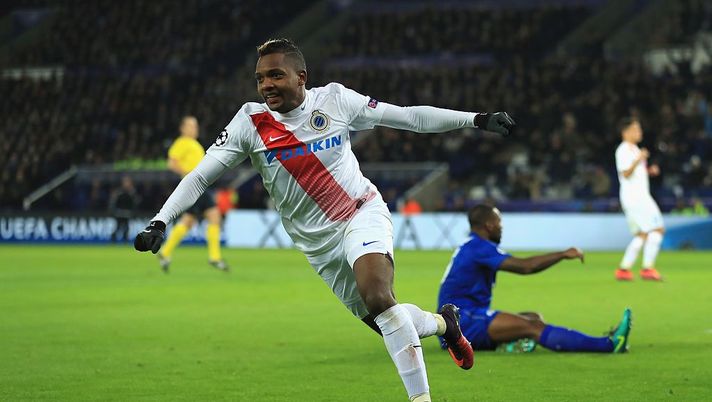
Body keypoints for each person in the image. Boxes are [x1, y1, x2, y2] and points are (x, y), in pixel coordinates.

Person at [134, 38, 516, 402]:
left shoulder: (335, 100)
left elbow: (408, 117)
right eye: (260, 78)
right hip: (318, 246)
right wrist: (161, 221)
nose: (267, 85)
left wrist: (476, 119)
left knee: (380, 297)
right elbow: (201, 175)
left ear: (301, 77)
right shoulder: (249, 124)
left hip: (359, 213)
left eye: (276, 75)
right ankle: (445, 324)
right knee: (388, 320)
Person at [438, 204, 633, 354]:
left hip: (460, 321)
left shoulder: (472, 245)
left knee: (533, 317)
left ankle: (505, 346)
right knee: (533, 327)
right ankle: (608, 345)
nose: (502, 227)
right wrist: (563, 254)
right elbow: (526, 267)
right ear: (489, 225)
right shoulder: (479, 247)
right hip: (463, 324)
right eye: (499, 222)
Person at [157, 115, 229, 273]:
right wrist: (189, 175)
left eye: (195, 126)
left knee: (189, 220)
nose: (194, 128)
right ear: (182, 128)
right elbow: (172, 163)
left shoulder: (194, 144)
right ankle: (214, 257)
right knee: (214, 217)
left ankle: (165, 252)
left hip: (199, 186)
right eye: (190, 125)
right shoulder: (181, 143)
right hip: (196, 185)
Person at [614, 118, 664, 281]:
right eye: (636, 129)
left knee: (642, 233)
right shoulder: (623, 150)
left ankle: (623, 269)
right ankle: (647, 268)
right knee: (657, 229)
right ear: (626, 132)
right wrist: (639, 159)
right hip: (637, 198)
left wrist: (649, 170)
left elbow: (636, 174)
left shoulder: (634, 149)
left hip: (637, 197)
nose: (639, 132)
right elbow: (625, 174)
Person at [109, 175, 140, 242]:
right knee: (118, 227)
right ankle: (113, 240)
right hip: (119, 213)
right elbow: (113, 201)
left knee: (126, 228)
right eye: (125, 182)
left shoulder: (132, 192)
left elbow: (136, 202)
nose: (127, 183)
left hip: (127, 213)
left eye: (128, 182)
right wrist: (113, 211)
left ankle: (125, 241)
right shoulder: (119, 191)